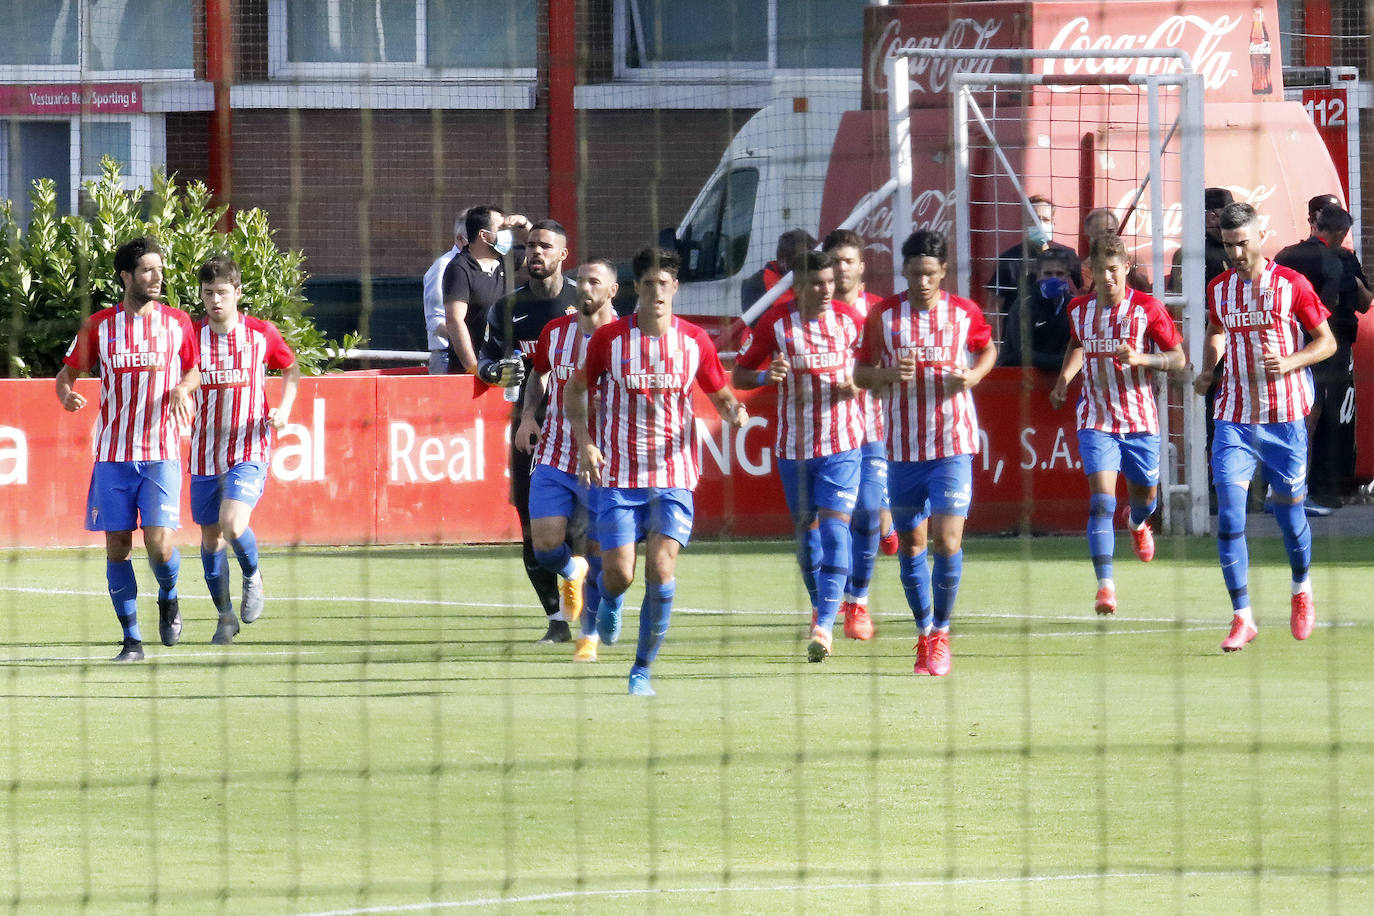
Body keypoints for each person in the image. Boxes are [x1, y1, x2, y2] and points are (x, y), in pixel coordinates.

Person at [565, 247, 748, 695]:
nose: (657, 293)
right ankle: (608, 597)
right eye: (649, 285)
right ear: (637, 289)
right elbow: (575, 392)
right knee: (621, 574)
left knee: (662, 571)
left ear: (675, 288)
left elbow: (721, 394)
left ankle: (641, 670)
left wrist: (735, 413)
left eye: (664, 284)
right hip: (620, 476)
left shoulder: (695, 342)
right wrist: (586, 442)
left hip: (673, 475)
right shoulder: (610, 340)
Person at [1191, 202, 1336, 652]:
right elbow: (1216, 331)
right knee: (1230, 516)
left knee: (1289, 518)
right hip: (1233, 416)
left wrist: (1291, 361)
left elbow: (1326, 343)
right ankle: (1242, 616)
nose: (1234, 254)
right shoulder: (1219, 289)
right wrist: (1208, 369)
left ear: (1259, 237)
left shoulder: (1291, 284)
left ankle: (1301, 589)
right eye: (1228, 245)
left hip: (1284, 416)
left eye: (1242, 244)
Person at [855, 230, 996, 677]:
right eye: (914, 273)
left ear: (943, 273)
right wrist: (888, 374)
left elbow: (987, 349)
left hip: (953, 444)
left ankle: (942, 633)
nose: (921, 282)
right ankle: (923, 633)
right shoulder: (883, 317)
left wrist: (973, 377)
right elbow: (860, 374)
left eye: (929, 274)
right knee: (912, 544)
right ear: (905, 271)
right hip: (901, 449)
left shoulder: (963, 313)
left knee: (946, 540)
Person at [54, 236, 200, 662]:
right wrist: (65, 394)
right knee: (118, 546)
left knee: (160, 546)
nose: (157, 277)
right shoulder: (99, 326)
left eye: (159, 269)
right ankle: (132, 640)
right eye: (147, 270)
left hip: (161, 452)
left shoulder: (177, 323)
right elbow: (66, 375)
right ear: (126, 276)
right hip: (112, 456)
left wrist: (182, 388)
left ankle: (169, 596)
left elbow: (193, 369)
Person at [732, 249, 865, 661]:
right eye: (816, 283)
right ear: (799, 286)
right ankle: (821, 605)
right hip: (794, 449)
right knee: (808, 540)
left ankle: (825, 627)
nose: (826, 289)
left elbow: (876, 367)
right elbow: (739, 374)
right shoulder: (776, 323)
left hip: (843, 445)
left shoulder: (850, 320)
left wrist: (858, 384)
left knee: (835, 532)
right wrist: (763, 376)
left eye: (829, 282)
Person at [1049, 236, 1185, 615]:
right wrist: (1064, 380)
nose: (1108, 277)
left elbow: (1177, 357)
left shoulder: (1147, 308)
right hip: (1096, 417)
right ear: (1090, 271)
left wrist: (1142, 358)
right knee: (1102, 500)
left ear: (1126, 268)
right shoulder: (1079, 309)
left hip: (1140, 419)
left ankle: (1138, 523)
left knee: (1146, 500)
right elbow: (1078, 344)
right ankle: (1105, 586)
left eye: (1115, 269)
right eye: (1100, 269)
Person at [476, 219, 581, 643]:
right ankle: (556, 621)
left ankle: (592, 605)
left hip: (585, 431)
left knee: (587, 526)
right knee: (531, 529)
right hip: (530, 429)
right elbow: (485, 363)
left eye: (545, 246)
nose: (535, 252)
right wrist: (494, 371)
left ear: (562, 255)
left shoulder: (583, 300)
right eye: (530, 245)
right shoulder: (507, 308)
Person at [189, 255, 300, 645]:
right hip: (203, 452)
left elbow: (290, 367)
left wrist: (283, 409)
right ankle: (225, 616)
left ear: (237, 292)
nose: (215, 300)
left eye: (222, 292)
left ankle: (253, 575)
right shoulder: (191, 336)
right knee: (210, 539)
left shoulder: (260, 334)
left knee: (233, 524)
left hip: (249, 447)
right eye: (208, 293)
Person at [515, 257, 620, 662]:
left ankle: (589, 636)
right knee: (543, 546)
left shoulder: (624, 337)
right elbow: (538, 373)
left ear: (613, 291)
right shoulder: (554, 331)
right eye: (583, 281)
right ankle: (571, 573)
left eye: (595, 282)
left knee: (602, 555)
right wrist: (527, 417)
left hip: (605, 459)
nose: (585, 288)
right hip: (556, 451)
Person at [1273, 199, 1372, 512]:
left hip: (1286, 345)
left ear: (1315, 223)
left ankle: (1282, 488)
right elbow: (1360, 303)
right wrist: (1355, 284)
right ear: (1342, 232)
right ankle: (1311, 490)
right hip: (1329, 347)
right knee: (1321, 416)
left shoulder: (1285, 256)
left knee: (1289, 414)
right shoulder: (1340, 259)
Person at [821, 229, 899, 620]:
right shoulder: (811, 315)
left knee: (868, 511)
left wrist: (866, 378)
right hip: (826, 431)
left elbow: (896, 366)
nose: (841, 268)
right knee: (832, 524)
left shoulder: (881, 314)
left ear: (861, 266)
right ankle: (832, 597)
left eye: (848, 260)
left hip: (873, 426)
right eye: (834, 261)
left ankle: (858, 601)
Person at [441, 205, 532, 374]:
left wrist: (524, 224)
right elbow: (454, 321)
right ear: (483, 235)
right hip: (473, 371)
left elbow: (537, 251)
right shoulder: (460, 268)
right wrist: (475, 369)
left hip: (505, 367)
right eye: (501, 229)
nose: (507, 234)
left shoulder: (505, 259)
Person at [987, 194, 1081, 315]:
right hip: (1019, 329)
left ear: (1053, 224)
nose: (1040, 225)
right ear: (1024, 225)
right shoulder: (1008, 260)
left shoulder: (1068, 255)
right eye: (1034, 220)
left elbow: (1080, 295)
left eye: (1045, 219)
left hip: (1060, 328)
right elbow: (993, 308)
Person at [998, 248, 1076, 369]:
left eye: (1059, 274)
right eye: (1048, 273)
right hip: (1016, 374)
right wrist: (1065, 361)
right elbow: (1022, 353)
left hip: (1057, 375)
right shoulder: (1024, 305)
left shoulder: (1073, 306)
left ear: (1067, 276)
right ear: (1038, 275)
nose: (1053, 279)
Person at [422, 208, 468, 374]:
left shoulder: (477, 267)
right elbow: (435, 321)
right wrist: (467, 341)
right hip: (446, 357)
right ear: (461, 239)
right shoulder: (443, 267)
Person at [741, 228, 815, 311]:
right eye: (802, 261)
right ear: (783, 260)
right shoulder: (758, 284)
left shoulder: (811, 280)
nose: (807, 267)